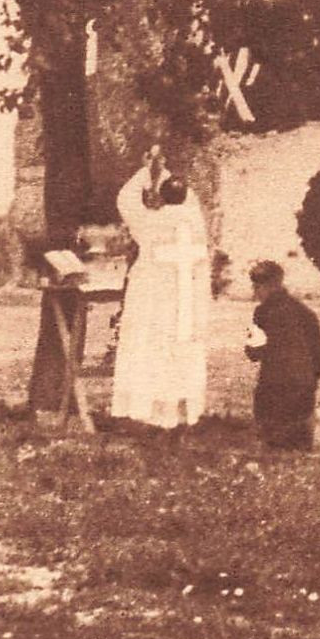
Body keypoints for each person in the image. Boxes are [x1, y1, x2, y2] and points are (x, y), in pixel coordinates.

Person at [111, 146, 211, 428]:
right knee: (180, 354)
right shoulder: (196, 224)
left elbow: (127, 201)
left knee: (153, 352)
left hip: (158, 305)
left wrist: (148, 170)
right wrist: (164, 175)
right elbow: (184, 196)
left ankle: (152, 414)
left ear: (163, 197)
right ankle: (181, 414)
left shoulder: (151, 222)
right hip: (186, 306)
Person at [245, 260, 320, 450]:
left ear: (267, 287)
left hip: (273, 392)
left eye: (257, 287)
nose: (255, 292)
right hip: (304, 392)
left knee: (273, 438)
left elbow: (253, 353)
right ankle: (306, 430)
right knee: (297, 439)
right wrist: (311, 380)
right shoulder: (305, 312)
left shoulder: (261, 313)